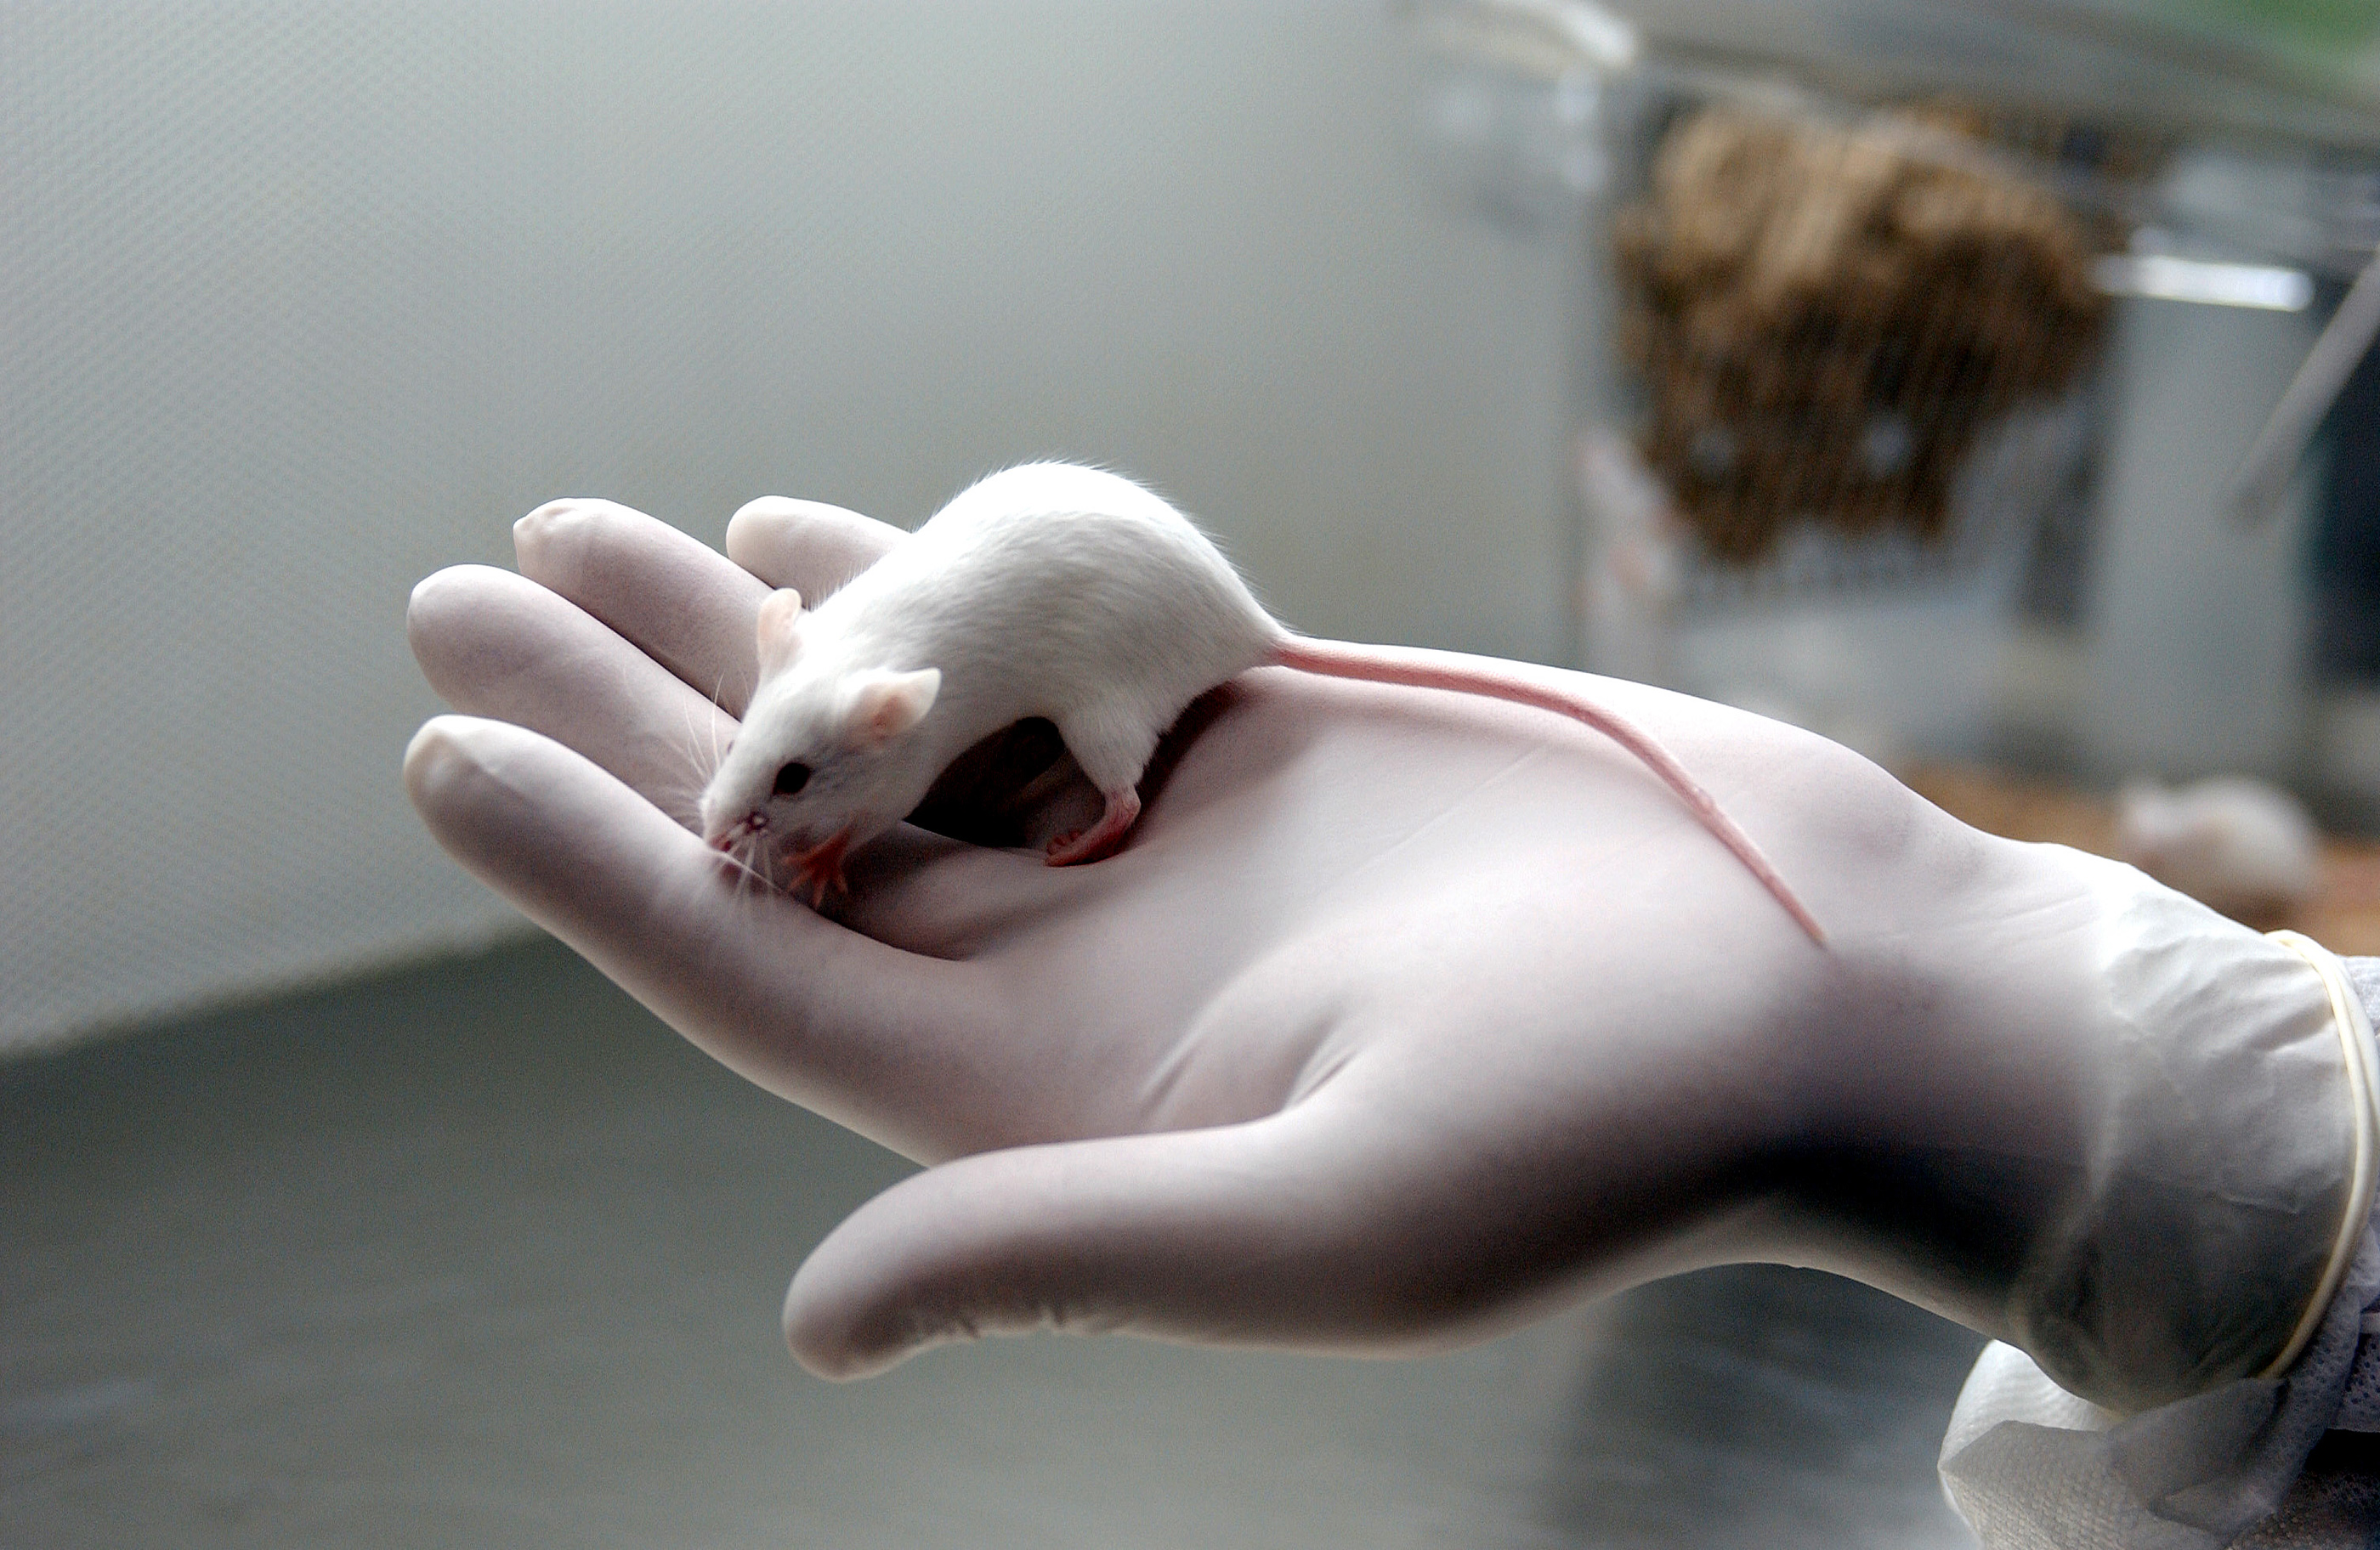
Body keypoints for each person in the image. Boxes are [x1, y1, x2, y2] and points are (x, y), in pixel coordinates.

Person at [403, 492, 2380, 1547]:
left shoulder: (899, 715)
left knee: (1070, 745)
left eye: (780, 793)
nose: (743, 830)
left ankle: (1108, 786)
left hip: (1128, 639)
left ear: (883, 728)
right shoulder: (838, 693)